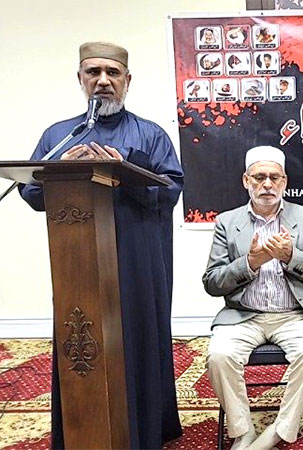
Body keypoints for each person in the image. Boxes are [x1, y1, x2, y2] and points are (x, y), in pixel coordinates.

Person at [18, 41, 184, 449]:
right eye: (94, 72)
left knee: (137, 339)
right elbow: (32, 192)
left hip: (137, 261)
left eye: (113, 73)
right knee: (80, 339)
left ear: (128, 80)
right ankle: (81, 428)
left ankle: (144, 431)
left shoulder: (151, 134)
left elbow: (171, 190)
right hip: (78, 265)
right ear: (80, 78)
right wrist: (62, 168)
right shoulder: (60, 135)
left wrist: (122, 168)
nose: (103, 81)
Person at [202, 146, 303, 450]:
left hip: (296, 316)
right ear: (246, 181)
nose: (267, 184)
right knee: (219, 356)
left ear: (284, 181)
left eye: (274, 178)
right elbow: (212, 282)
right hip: (243, 316)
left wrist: (290, 257)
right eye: (259, 177)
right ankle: (243, 431)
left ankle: (279, 430)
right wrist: (250, 263)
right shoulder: (227, 222)